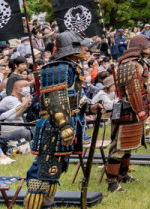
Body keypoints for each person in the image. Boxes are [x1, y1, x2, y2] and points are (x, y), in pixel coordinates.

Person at [22, 32, 96, 209]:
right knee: (41, 173)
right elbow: (55, 100)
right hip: (54, 127)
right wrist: (64, 126)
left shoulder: (71, 66)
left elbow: (75, 99)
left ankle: (47, 205)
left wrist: (90, 107)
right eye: (81, 46)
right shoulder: (58, 68)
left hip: (65, 126)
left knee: (54, 172)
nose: (85, 50)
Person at [105, 34, 150, 193]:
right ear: (139, 47)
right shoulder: (129, 65)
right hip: (128, 108)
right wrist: (139, 109)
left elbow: (142, 88)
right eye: (147, 46)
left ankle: (123, 174)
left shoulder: (138, 63)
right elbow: (132, 91)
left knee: (129, 145)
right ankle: (112, 182)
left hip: (135, 109)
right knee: (119, 146)